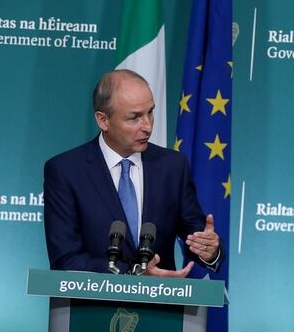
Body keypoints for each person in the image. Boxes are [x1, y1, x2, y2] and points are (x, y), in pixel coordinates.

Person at [44, 69, 221, 276]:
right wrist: (133, 275)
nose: (147, 126)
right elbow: (65, 260)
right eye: (134, 118)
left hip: (160, 296)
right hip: (93, 297)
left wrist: (209, 250)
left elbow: (196, 237)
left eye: (150, 112)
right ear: (103, 120)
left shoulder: (173, 166)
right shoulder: (66, 171)